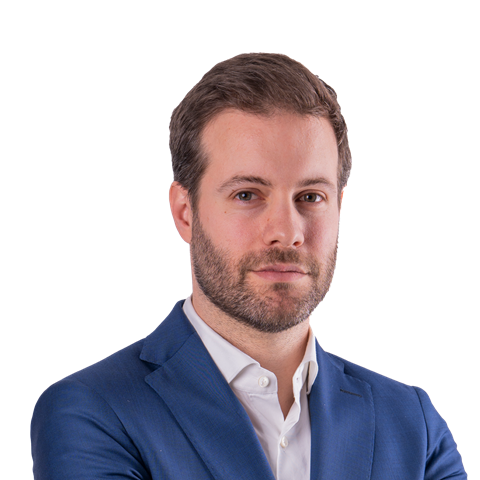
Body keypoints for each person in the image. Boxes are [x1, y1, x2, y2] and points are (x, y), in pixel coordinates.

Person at [31, 52, 466, 479]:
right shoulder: (93, 410)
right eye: (247, 194)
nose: (287, 232)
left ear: (338, 207)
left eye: (310, 196)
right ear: (185, 212)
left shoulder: (412, 424)